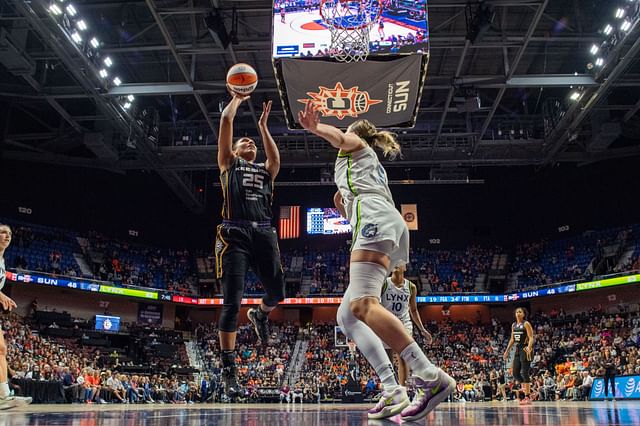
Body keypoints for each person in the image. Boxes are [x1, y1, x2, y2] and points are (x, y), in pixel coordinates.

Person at [298, 103, 455, 421]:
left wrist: (315, 127)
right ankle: (392, 388)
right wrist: (344, 207)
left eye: (347, 130)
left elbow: (342, 139)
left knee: (363, 306)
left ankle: (428, 375)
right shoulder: (356, 169)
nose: (344, 134)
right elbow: (354, 211)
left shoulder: (357, 144)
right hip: (378, 221)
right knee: (347, 316)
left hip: (375, 219)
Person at [215, 93, 285, 399]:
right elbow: (227, 120)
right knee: (232, 302)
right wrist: (238, 99)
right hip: (234, 234)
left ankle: (260, 314)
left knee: (278, 293)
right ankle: (229, 370)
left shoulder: (264, 171)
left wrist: (263, 128)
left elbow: (276, 160)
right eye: (245, 141)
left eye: (252, 142)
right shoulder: (228, 164)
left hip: (264, 233)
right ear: (232, 150)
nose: (250, 142)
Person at [380, 263, 433, 386]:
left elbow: (413, 310)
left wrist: (422, 329)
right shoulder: (384, 283)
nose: (397, 264)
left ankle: (403, 390)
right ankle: (390, 389)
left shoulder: (411, 287)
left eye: (400, 262)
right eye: (395, 262)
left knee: (403, 357)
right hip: (386, 323)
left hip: (404, 323)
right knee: (387, 360)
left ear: (405, 267)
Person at [0, 223, 32, 410]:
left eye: (9, 233)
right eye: (2, 232)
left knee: (1, 349)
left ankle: (4, 395)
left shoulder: (3, 260)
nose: (7, 236)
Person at [503, 307, 534, 405]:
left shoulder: (526, 324)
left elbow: (531, 337)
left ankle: (527, 396)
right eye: (516, 312)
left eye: (520, 312)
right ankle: (529, 390)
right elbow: (512, 339)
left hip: (525, 348)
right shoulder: (514, 325)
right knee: (515, 373)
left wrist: (529, 347)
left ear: (524, 314)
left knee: (525, 372)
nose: (518, 313)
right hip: (517, 348)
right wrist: (507, 351)